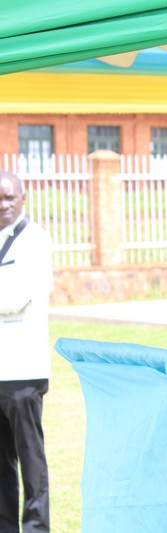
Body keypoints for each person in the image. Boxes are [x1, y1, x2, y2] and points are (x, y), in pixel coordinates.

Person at [0, 171, 53, 533]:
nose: (4, 205)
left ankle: (36, 527)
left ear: (23, 198)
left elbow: (17, 297)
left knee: (30, 458)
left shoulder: (34, 240)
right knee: (1, 462)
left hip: (24, 371)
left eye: (9, 197)